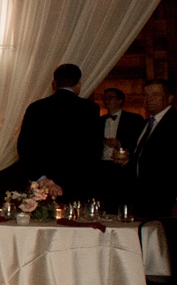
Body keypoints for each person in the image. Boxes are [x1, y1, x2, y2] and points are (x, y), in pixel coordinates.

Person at [16, 63, 100, 200]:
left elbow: (25, 147)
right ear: (79, 83)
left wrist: (42, 178)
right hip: (78, 185)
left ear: (54, 84)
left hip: (42, 187)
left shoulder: (36, 108)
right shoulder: (90, 109)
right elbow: (93, 150)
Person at [131, 78, 177, 223]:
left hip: (167, 199)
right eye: (146, 95)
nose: (149, 99)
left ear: (170, 97)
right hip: (142, 199)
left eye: (155, 94)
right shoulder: (144, 125)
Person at [96, 87, 145, 212]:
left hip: (121, 167)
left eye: (110, 98)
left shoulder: (134, 119)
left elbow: (139, 142)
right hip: (102, 167)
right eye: (105, 98)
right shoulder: (99, 121)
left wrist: (120, 143)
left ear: (120, 101)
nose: (107, 101)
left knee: (121, 201)